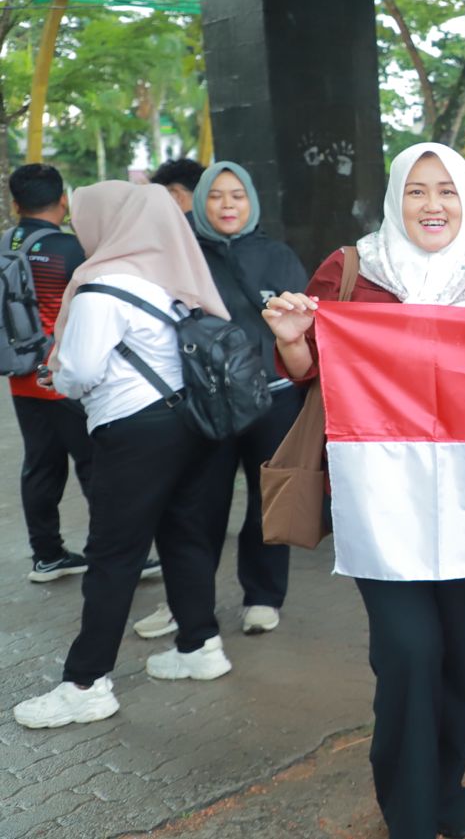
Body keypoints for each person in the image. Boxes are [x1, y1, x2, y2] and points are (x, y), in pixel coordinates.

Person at [262, 143, 465, 839]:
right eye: (417, 191)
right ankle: (408, 802)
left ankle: (445, 782)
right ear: (395, 197)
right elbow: (311, 371)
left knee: (459, 650)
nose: (432, 205)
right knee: (408, 649)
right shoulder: (352, 268)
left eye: (447, 192)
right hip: (378, 497)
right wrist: (290, 341)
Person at [12, 183, 237, 730]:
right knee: (182, 534)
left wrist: (56, 375)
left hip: (133, 432)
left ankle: (86, 684)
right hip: (190, 425)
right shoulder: (166, 278)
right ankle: (200, 646)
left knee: (113, 555)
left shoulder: (100, 288)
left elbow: (81, 371)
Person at [130, 161, 308, 640]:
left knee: (269, 503)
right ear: (200, 201)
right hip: (206, 402)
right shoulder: (180, 255)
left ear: (251, 202)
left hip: (273, 400)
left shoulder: (278, 256)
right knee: (195, 508)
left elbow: (305, 327)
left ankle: (263, 597)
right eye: (216, 196)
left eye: (237, 196)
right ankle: (184, 604)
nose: (227, 205)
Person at [7, 164, 92, 582]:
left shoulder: (4, 244)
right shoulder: (71, 249)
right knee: (97, 466)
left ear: (15, 203)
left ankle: (47, 556)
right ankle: (108, 553)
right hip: (64, 378)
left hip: (22, 377)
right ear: (63, 201)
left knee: (40, 466)